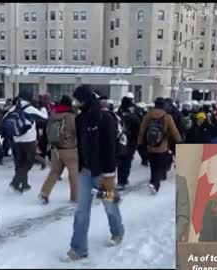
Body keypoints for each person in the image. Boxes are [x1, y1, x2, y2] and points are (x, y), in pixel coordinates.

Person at [66, 85, 124, 261]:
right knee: (81, 211)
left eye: (77, 99)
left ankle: (117, 232)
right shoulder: (80, 118)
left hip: (103, 173)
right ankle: (78, 249)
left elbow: (110, 148)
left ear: (84, 99)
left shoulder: (105, 117)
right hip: (84, 171)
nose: (75, 103)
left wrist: (108, 176)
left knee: (110, 206)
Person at [4, 88, 48, 193]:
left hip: (16, 140)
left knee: (20, 163)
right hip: (29, 140)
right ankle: (15, 183)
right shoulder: (30, 108)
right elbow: (44, 118)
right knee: (28, 163)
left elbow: (4, 120)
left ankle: (24, 184)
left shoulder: (14, 108)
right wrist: (42, 107)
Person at [138, 97, 182, 194]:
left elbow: (142, 130)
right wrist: (179, 141)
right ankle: (155, 184)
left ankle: (152, 181)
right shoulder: (167, 117)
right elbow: (174, 131)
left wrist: (140, 143)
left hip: (150, 146)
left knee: (153, 165)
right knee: (159, 166)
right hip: (162, 147)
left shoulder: (148, 115)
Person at [39, 95, 78, 204]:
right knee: (74, 174)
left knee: (54, 172)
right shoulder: (71, 117)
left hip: (55, 149)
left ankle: (44, 193)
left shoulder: (53, 115)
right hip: (69, 149)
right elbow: (76, 131)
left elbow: (47, 132)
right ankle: (75, 197)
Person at [116, 95, 141, 190]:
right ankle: (123, 181)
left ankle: (120, 180)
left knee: (120, 162)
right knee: (126, 162)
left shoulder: (117, 114)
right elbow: (138, 129)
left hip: (119, 142)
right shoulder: (133, 116)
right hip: (130, 142)